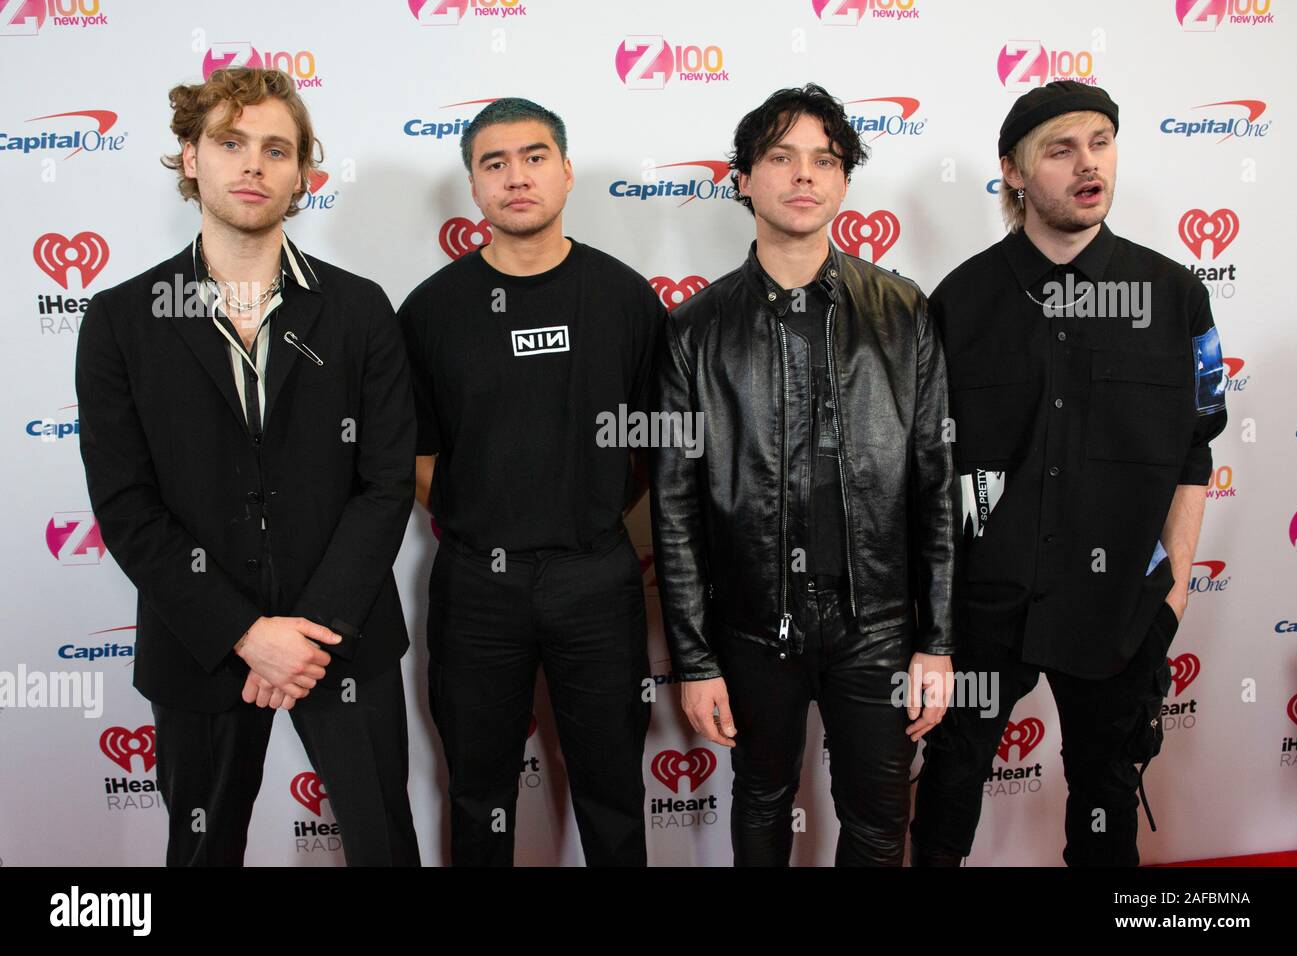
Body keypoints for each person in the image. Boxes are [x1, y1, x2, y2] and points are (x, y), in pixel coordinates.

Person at [75, 67, 420, 866]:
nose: (253, 165)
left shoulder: (359, 307)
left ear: (302, 173)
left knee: (384, 847)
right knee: (201, 854)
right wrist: (242, 633)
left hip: (343, 641)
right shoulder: (123, 317)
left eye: (276, 148)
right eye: (230, 143)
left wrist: (310, 632)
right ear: (191, 159)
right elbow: (125, 503)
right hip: (198, 645)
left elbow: (385, 482)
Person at [909, 81, 1229, 867]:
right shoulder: (960, 302)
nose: (1089, 165)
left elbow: (1197, 444)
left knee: (1105, 800)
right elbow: (928, 465)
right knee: (949, 788)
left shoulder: (1174, 296)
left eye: (1101, 142)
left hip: (1118, 608)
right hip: (987, 608)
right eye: (1061, 149)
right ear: (1013, 173)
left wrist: (1177, 586)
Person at [649, 84, 957, 866]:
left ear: (845, 180)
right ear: (744, 178)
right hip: (754, 627)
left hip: (879, 625)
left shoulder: (903, 311)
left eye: (824, 160)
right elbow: (676, 504)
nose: (803, 175)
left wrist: (938, 640)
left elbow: (934, 477)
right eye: (781, 157)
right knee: (759, 799)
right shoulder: (696, 329)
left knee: (881, 816)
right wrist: (694, 659)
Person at [399, 98, 666, 866]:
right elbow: (417, 458)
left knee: (614, 786)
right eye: (495, 163)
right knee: (478, 791)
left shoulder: (624, 298)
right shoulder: (430, 310)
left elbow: (652, 446)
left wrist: (583, 515)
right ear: (474, 189)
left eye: (535, 156)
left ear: (567, 171)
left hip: (598, 577)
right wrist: (491, 520)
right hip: (478, 585)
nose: (517, 177)